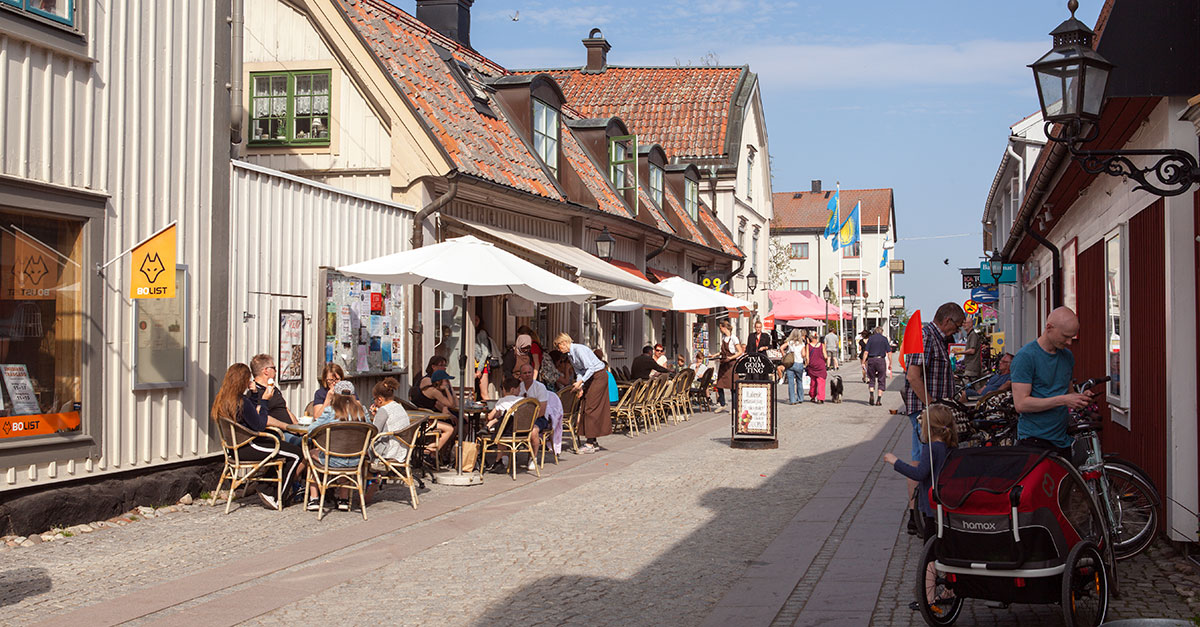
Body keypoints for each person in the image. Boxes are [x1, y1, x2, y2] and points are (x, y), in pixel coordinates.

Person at [901, 302, 964, 533]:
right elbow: (913, 376)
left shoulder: (937, 339)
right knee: (921, 461)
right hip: (925, 412)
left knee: (931, 461)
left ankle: (926, 513)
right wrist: (933, 406)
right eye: (956, 326)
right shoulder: (926, 337)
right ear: (947, 321)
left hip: (933, 411)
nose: (956, 332)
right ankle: (916, 517)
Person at [211, 363, 304, 510]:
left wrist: (254, 395)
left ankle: (265, 487)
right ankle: (276, 495)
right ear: (244, 381)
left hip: (234, 449)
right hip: (251, 447)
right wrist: (265, 400)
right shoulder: (242, 402)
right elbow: (259, 425)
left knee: (286, 449)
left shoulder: (223, 400)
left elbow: (249, 415)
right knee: (297, 454)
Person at [1012, 307, 1093, 460]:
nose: (1069, 342)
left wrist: (1079, 398)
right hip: (1034, 440)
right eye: (1065, 336)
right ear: (1049, 327)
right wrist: (1063, 400)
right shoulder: (1026, 357)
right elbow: (1021, 404)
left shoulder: (1067, 356)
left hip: (1062, 438)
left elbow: (1068, 393)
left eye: (1072, 337)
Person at [884, 404, 956, 540]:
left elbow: (919, 474)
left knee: (930, 538)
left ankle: (931, 561)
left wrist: (895, 462)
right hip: (945, 501)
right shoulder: (950, 446)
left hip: (932, 503)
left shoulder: (930, 448)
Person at [555, 332, 610, 453]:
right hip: (590, 377)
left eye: (558, 346)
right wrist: (580, 385)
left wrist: (581, 382)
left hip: (598, 376)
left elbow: (590, 367)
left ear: (564, 343)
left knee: (591, 407)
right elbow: (579, 371)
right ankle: (593, 440)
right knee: (585, 404)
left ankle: (590, 444)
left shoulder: (579, 350)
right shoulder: (570, 354)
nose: (558, 349)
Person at [517, 363, 551, 472]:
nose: (527, 375)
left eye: (529, 372)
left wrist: (529, 421)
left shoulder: (540, 387)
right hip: (520, 417)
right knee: (505, 428)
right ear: (520, 375)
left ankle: (533, 457)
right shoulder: (518, 387)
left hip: (539, 418)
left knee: (533, 431)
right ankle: (506, 457)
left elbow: (542, 410)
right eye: (525, 373)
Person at [250, 354, 297, 426]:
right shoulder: (254, 393)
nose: (276, 371)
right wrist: (286, 427)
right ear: (266, 371)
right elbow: (262, 417)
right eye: (274, 368)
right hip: (277, 433)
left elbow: (284, 408)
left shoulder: (273, 388)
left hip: (291, 430)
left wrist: (297, 426)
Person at [710, 320, 743, 408]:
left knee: (733, 386)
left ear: (724, 328)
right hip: (724, 363)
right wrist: (715, 355)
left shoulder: (734, 338)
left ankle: (735, 408)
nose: (720, 330)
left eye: (721, 328)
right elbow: (723, 351)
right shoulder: (724, 338)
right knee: (719, 384)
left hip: (731, 364)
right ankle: (722, 404)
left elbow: (740, 352)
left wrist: (731, 358)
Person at [864, 327, 892, 406]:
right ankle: (879, 400)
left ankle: (871, 394)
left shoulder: (871, 339)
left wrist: (863, 362)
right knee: (881, 379)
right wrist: (890, 363)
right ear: (881, 332)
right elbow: (889, 352)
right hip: (880, 360)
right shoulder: (884, 339)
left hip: (871, 360)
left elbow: (866, 352)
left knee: (871, 378)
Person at [783, 330, 807, 405]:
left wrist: (784, 355)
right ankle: (800, 398)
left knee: (791, 382)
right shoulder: (802, 344)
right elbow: (803, 354)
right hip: (799, 363)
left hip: (790, 363)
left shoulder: (790, 343)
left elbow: (781, 347)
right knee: (799, 381)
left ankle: (792, 400)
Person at [803, 332, 828, 403]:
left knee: (813, 382)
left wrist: (806, 364)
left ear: (810, 338)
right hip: (821, 365)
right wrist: (825, 362)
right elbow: (825, 356)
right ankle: (820, 398)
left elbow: (807, 357)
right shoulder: (822, 345)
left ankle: (813, 396)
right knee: (821, 382)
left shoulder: (808, 346)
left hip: (812, 365)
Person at [960, 317, 983, 382]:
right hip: (970, 366)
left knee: (965, 386)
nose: (963, 325)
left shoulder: (973, 335)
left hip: (972, 367)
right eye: (963, 323)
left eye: (965, 323)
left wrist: (959, 352)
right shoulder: (970, 335)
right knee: (975, 386)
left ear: (971, 324)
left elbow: (972, 351)